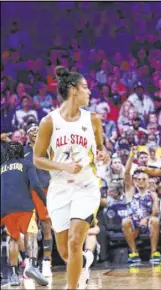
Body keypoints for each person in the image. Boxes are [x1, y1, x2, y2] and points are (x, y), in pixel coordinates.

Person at [33, 66, 110, 289]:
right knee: (67, 251)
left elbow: (101, 147)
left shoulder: (93, 119)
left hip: (86, 186)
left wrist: (103, 154)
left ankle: (72, 287)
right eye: (85, 87)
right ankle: (85, 262)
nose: (89, 92)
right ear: (73, 90)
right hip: (59, 188)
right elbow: (38, 158)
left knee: (76, 241)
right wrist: (62, 166)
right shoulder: (49, 121)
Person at [0, 142, 48, 287]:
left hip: (6, 208)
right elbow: (35, 185)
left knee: (12, 239)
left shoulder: (1, 168)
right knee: (31, 234)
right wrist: (45, 201)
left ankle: (13, 275)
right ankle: (32, 264)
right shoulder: (27, 164)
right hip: (25, 206)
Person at [24, 122, 53, 277]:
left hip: (46, 190)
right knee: (31, 230)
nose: (35, 131)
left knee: (46, 226)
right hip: (28, 192)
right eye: (32, 129)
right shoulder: (23, 151)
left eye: (37, 129)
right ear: (27, 134)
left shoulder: (48, 148)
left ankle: (47, 262)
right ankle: (31, 261)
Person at [123, 148, 161, 265]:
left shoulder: (153, 194)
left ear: (148, 181)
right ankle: (134, 253)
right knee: (125, 222)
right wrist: (131, 155)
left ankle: (154, 253)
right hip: (134, 220)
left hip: (148, 220)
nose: (141, 181)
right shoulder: (131, 191)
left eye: (144, 179)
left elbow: (155, 212)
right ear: (135, 181)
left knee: (155, 220)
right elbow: (126, 172)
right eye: (138, 179)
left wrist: (147, 219)